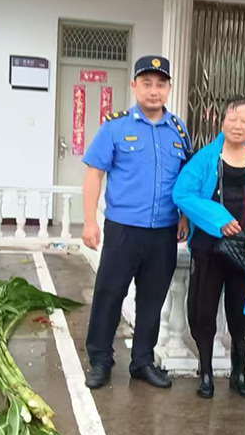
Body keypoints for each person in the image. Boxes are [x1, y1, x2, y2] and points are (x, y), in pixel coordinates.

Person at [81, 56, 192, 390]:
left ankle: (142, 361)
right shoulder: (116, 126)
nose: (154, 91)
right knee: (109, 294)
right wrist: (89, 221)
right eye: (147, 83)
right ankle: (100, 360)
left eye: (161, 84)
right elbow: (93, 173)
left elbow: (187, 179)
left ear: (169, 88)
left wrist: (185, 216)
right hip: (123, 229)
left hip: (163, 232)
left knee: (152, 299)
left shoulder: (179, 129)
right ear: (134, 86)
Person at [173, 97, 245, 400]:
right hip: (208, 249)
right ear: (221, 121)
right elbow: (182, 193)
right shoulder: (205, 158)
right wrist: (218, 219)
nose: (237, 125)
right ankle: (206, 374)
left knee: (241, 315)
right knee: (203, 310)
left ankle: (239, 375)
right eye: (232, 118)